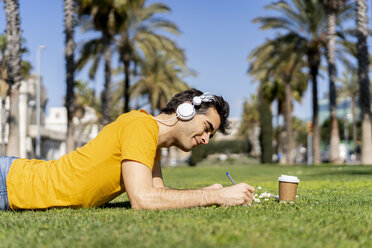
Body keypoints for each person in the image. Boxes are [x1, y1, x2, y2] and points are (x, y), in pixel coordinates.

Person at [0, 88, 255, 211]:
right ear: (186, 110)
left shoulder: (150, 139)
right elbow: (143, 201)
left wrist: (205, 192)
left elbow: (157, 193)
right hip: (10, 182)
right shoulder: (141, 126)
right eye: (207, 127)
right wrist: (217, 197)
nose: (206, 139)